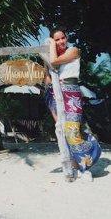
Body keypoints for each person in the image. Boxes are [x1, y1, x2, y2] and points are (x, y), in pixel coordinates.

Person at [44, 27, 101, 181]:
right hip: (55, 94)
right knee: (63, 132)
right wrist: (46, 65)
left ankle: (85, 168)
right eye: (57, 39)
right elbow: (47, 80)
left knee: (73, 131)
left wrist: (50, 44)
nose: (61, 41)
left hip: (72, 94)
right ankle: (75, 167)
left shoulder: (73, 50)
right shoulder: (54, 55)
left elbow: (55, 61)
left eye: (63, 38)